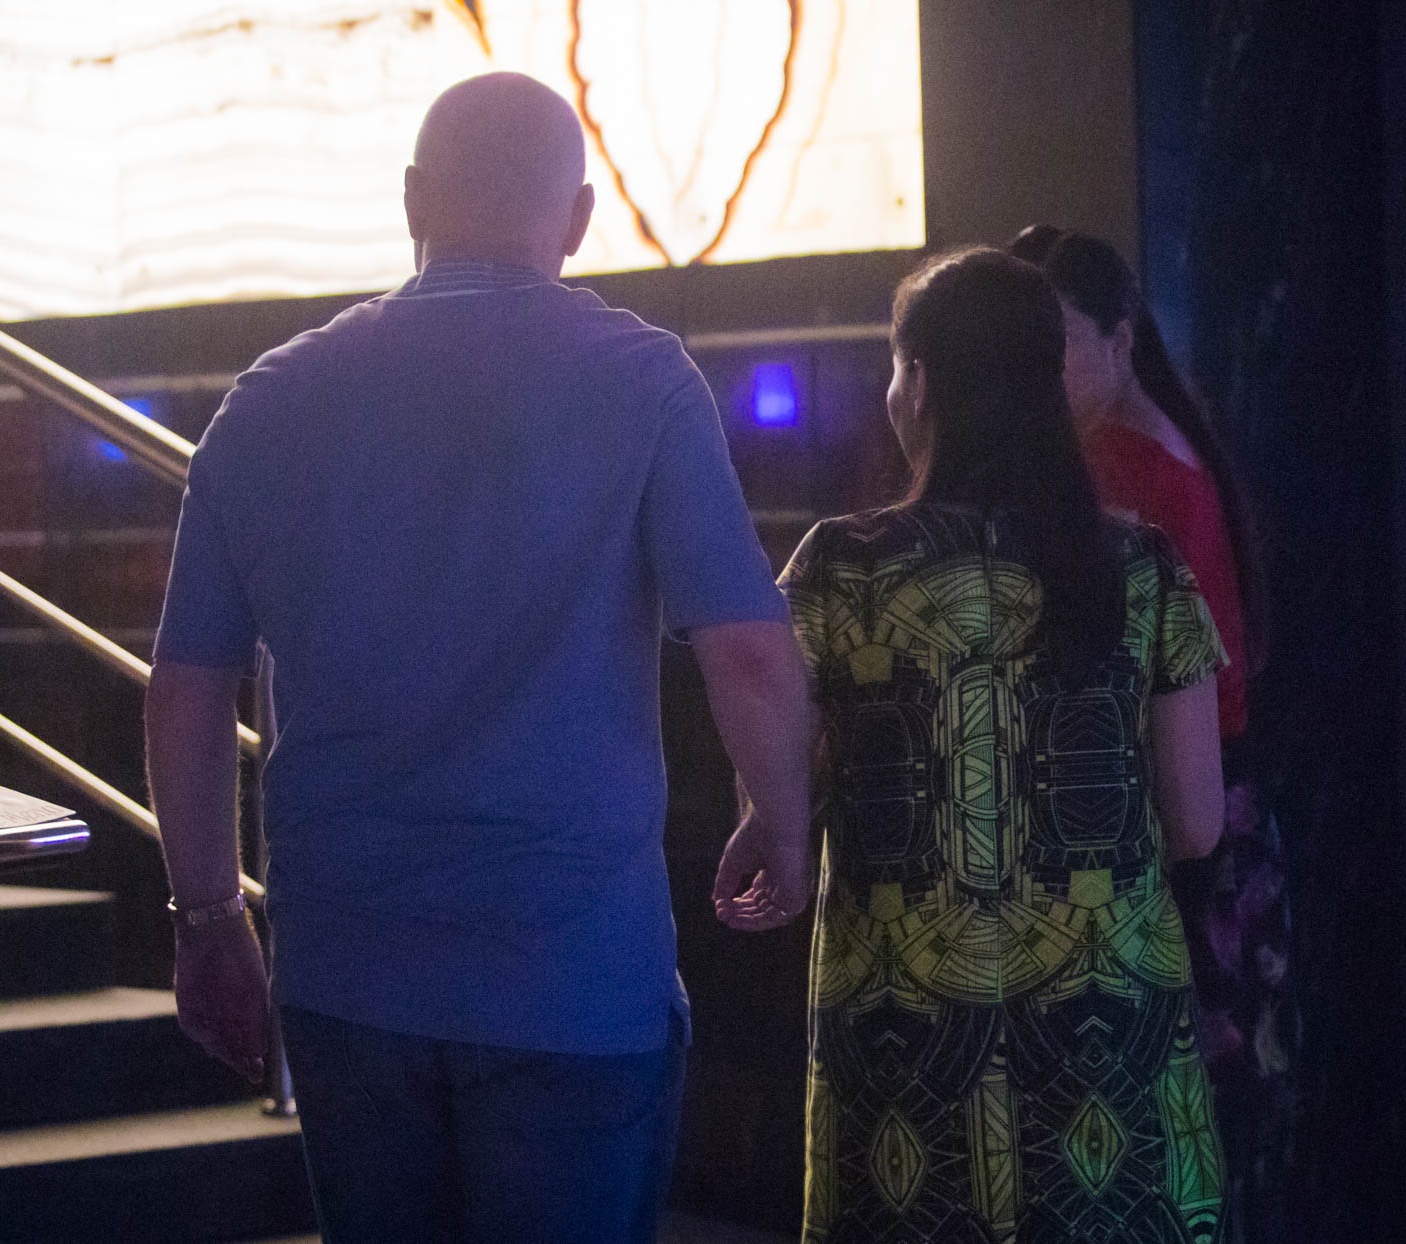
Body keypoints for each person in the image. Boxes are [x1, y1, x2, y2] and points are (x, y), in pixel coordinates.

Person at [145, 72, 812, 1244]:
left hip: (349, 975)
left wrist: (206, 914)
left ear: (412, 198)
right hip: (574, 977)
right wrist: (779, 816)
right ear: (580, 217)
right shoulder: (643, 378)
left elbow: (189, 686)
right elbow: (750, 655)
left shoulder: (267, 400)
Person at [771, 247, 1228, 1244]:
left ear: (917, 383)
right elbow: (1197, 823)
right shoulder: (1142, 566)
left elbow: (781, 797)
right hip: (1111, 1044)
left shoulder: (836, 571)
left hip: (906, 1045)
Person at [1009, 226, 1293, 1244]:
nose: (1034, 374)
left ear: (1120, 339)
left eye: (1055, 344)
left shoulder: (1120, 469)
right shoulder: (1166, 441)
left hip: (1181, 836)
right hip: (1222, 820)